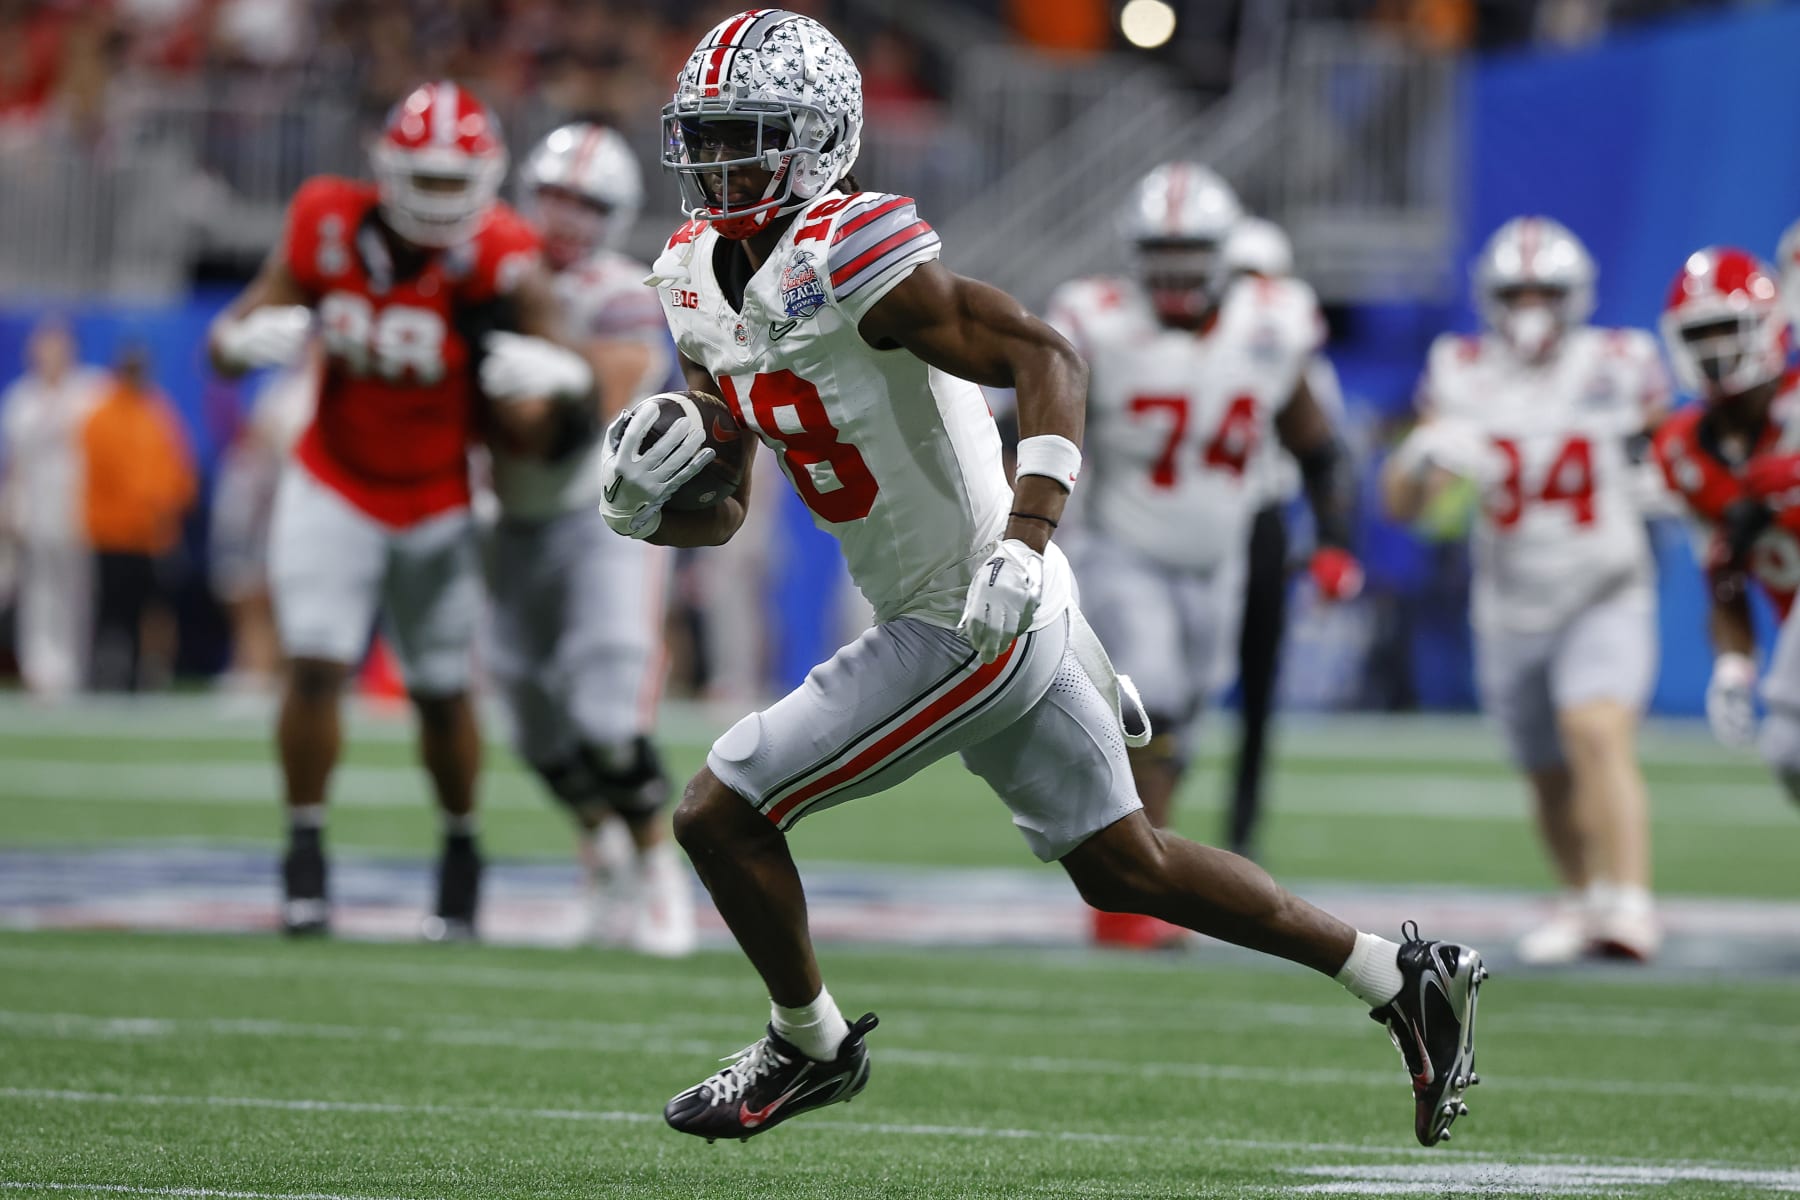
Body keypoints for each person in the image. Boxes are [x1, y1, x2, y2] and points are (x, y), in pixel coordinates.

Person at [613, 9, 1483, 1149]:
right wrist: (652, 507)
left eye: (752, 135)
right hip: (972, 597)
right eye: (710, 135)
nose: (723, 161)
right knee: (1129, 866)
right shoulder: (690, 279)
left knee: (720, 811)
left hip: (975, 609)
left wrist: (1025, 542)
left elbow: (1046, 357)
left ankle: (810, 1044)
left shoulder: (849, 252)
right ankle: (1395, 975)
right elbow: (726, 508)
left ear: (820, 139)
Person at [207, 80, 594, 939]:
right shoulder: (326, 220)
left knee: (441, 688)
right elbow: (232, 337)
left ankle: (461, 851)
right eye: (428, 179)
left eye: (458, 183)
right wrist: (236, 344)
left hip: (439, 496)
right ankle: (303, 857)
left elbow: (571, 385)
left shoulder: (502, 253)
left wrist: (565, 386)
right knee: (313, 662)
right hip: (335, 479)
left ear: (487, 180)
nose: (441, 201)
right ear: (387, 167)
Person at [1046, 170, 1363, 948]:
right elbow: (1024, 410)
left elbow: (1316, 445)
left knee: (1180, 716)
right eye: (1161, 252)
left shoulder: (1271, 323)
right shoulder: (1099, 320)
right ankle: (1123, 899)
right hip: (1122, 546)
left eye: (1190, 252)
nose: (1176, 270)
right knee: (1148, 704)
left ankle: (1147, 879)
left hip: (1216, 558)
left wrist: (1334, 540)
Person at [1383, 218, 1668, 963]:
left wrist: (1659, 480)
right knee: (1544, 766)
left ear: (1577, 297)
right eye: (1517, 291)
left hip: (1605, 582)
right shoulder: (1461, 369)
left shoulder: (1621, 360)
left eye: (1547, 291)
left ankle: (1630, 901)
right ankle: (1580, 900)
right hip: (1509, 601)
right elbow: (1403, 511)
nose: (1531, 306)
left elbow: (1671, 450)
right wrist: (1422, 459)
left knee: (1596, 729)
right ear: (1491, 298)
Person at [484, 121, 695, 956]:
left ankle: (657, 873)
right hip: (507, 518)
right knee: (534, 724)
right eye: (556, 195)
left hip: (602, 516)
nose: (567, 216)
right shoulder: (490, 276)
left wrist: (561, 368)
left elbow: (591, 412)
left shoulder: (621, 292)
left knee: (608, 712)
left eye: (589, 202)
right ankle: (601, 855)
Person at [1216, 216, 1350, 860]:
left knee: (1259, 684)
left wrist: (1332, 540)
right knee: (1159, 683)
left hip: (1261, 519)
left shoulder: (1297, 366)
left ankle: (1242, 823)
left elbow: (1326, 457)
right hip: (1187, 522)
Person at [1651, 246, 1800, 811]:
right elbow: (1723, 566)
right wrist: (1735, 665)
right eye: (1700, 334)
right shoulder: (1683, 448)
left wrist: (1786, 480)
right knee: (1789, 752)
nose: (1715, 350)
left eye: (1727, 329)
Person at [81, 343, 197, 693]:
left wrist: (169, 506)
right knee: (109, 611)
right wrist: (148, 503)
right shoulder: (101, 416)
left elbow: (179, 469)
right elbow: (107, 474)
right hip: (112, 534)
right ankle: (101, 675)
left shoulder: (157, 413)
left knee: (147, 610)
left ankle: (141, 676)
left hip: (152, 536)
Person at [0, 317, 104, 699]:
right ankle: (40, 669)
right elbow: (14, 461)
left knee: (77, 587)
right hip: (35, 506)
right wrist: (9, 504)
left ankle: (74, 666)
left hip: (79, 504)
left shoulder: (91, 390)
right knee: (36, 590)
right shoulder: (20, 398)